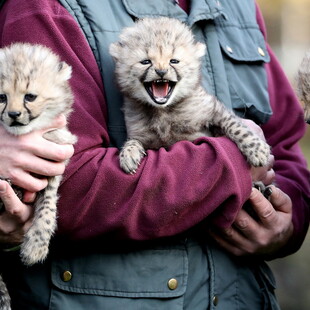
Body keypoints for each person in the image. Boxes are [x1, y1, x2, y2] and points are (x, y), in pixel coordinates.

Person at [0, 0, 309, 309]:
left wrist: (288, 219)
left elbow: (284, 143)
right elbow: (61, 182)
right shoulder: (44, 7)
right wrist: (228, 168)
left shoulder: (239, 6)